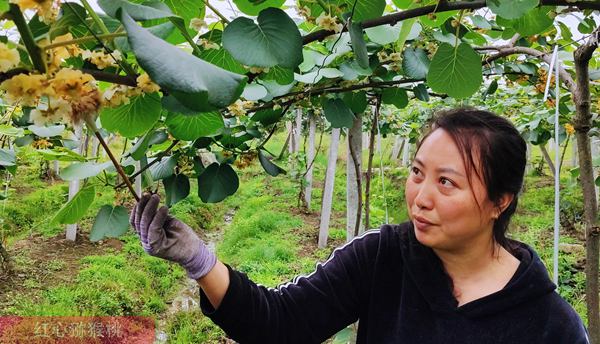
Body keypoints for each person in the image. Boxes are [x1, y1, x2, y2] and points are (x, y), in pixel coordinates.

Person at [130, 108, 589, 343]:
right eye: (417, 172)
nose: (421, 197)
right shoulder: (384, 255)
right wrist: (199, 259)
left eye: (447, 183)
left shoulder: (550, 325)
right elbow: (282, 323)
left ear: (498, 202)